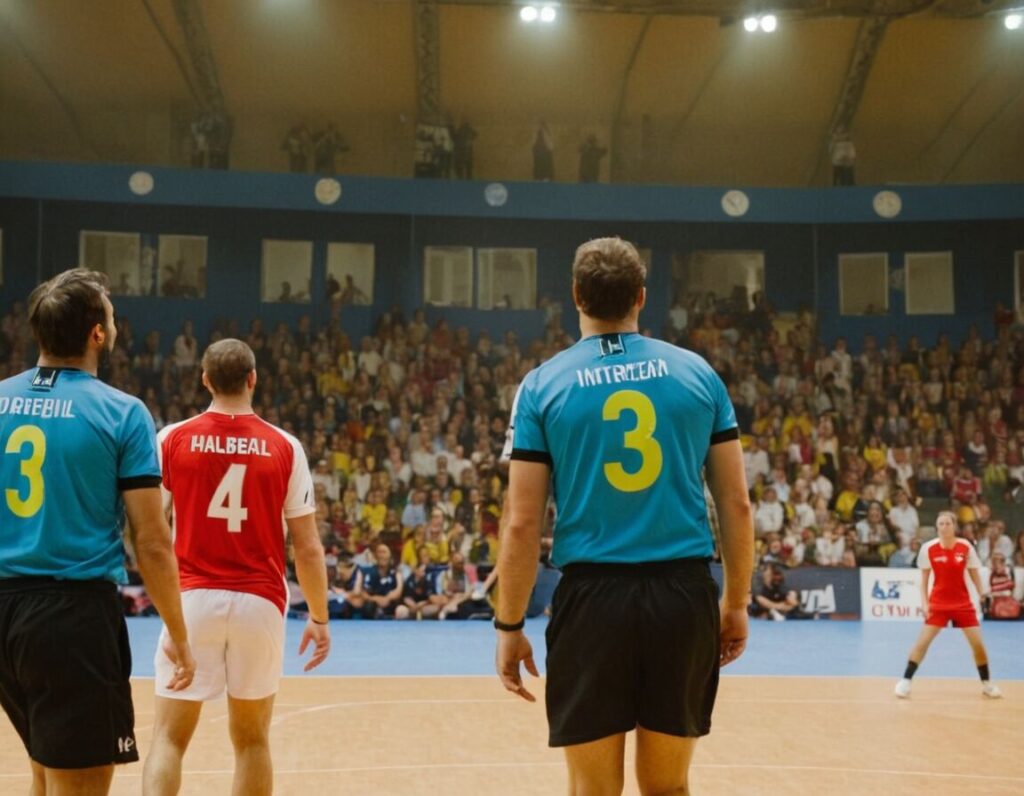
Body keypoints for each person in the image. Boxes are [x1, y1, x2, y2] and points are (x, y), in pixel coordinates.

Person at [494, 237, 754, 795]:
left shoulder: (542, 384)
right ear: (641, 297)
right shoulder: (699, 374)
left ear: (575, 297)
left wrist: (509, 625)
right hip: (682, 596)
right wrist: (735, 602)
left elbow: (521, 522)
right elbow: (736, 503)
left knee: (593, 792)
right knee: (669, 788)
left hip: (592, 602)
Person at [0, 268, 194, 795]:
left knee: (44, 772)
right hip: (71, 619)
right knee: (78, 785)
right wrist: (179, 634)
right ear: (98, 334)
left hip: (5, 611)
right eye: (110, 315)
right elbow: (151, 542)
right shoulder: (122, 412)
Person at [143, 339, 331, 795]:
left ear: (205, 379)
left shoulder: (173, 439)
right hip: (260, 602)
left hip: (191, 597)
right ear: (253, 379)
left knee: (169, 738)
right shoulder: (286, 447)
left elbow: (150, 533)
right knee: (251, 741)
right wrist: (320, 618)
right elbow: (307, 547)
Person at [894, 511, 1002, 699]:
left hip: (962, 604)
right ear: (937, 527)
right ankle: (905, 682)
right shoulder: (928, 549)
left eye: (947, 523)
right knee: (922, 643)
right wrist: (925, 604)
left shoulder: (965, 547)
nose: (944, 527)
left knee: (978, 645)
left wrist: (982, 594)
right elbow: (924, 580)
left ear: (954, 526)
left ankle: (987, 684)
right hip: (938, 604)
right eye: (940, 524)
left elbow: (975, 575)